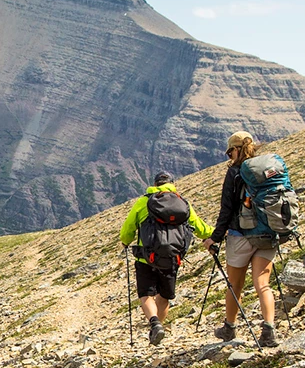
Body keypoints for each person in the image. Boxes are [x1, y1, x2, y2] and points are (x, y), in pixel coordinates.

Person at [120, 172, 213, 345]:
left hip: (145, 258)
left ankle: (154, 324)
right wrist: (216, 233)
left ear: (155, 184)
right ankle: (159, 328)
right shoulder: (182, 203)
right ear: (171, 183)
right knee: (164, 296)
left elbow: (128, 229)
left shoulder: (144, 202)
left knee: (146, 294)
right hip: (172, 258)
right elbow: (198, 227)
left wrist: (125, 242)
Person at [206, 131, 280, 348]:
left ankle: (229, 327)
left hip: (241, 235)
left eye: (230, 152)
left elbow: (227, 209)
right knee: (263, 284)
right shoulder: (268, 168)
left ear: (236, 150)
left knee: (235, 284)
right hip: (268, 233)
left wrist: (215, 238)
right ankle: (269, 330)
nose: (229, 156)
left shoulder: (235, 172)